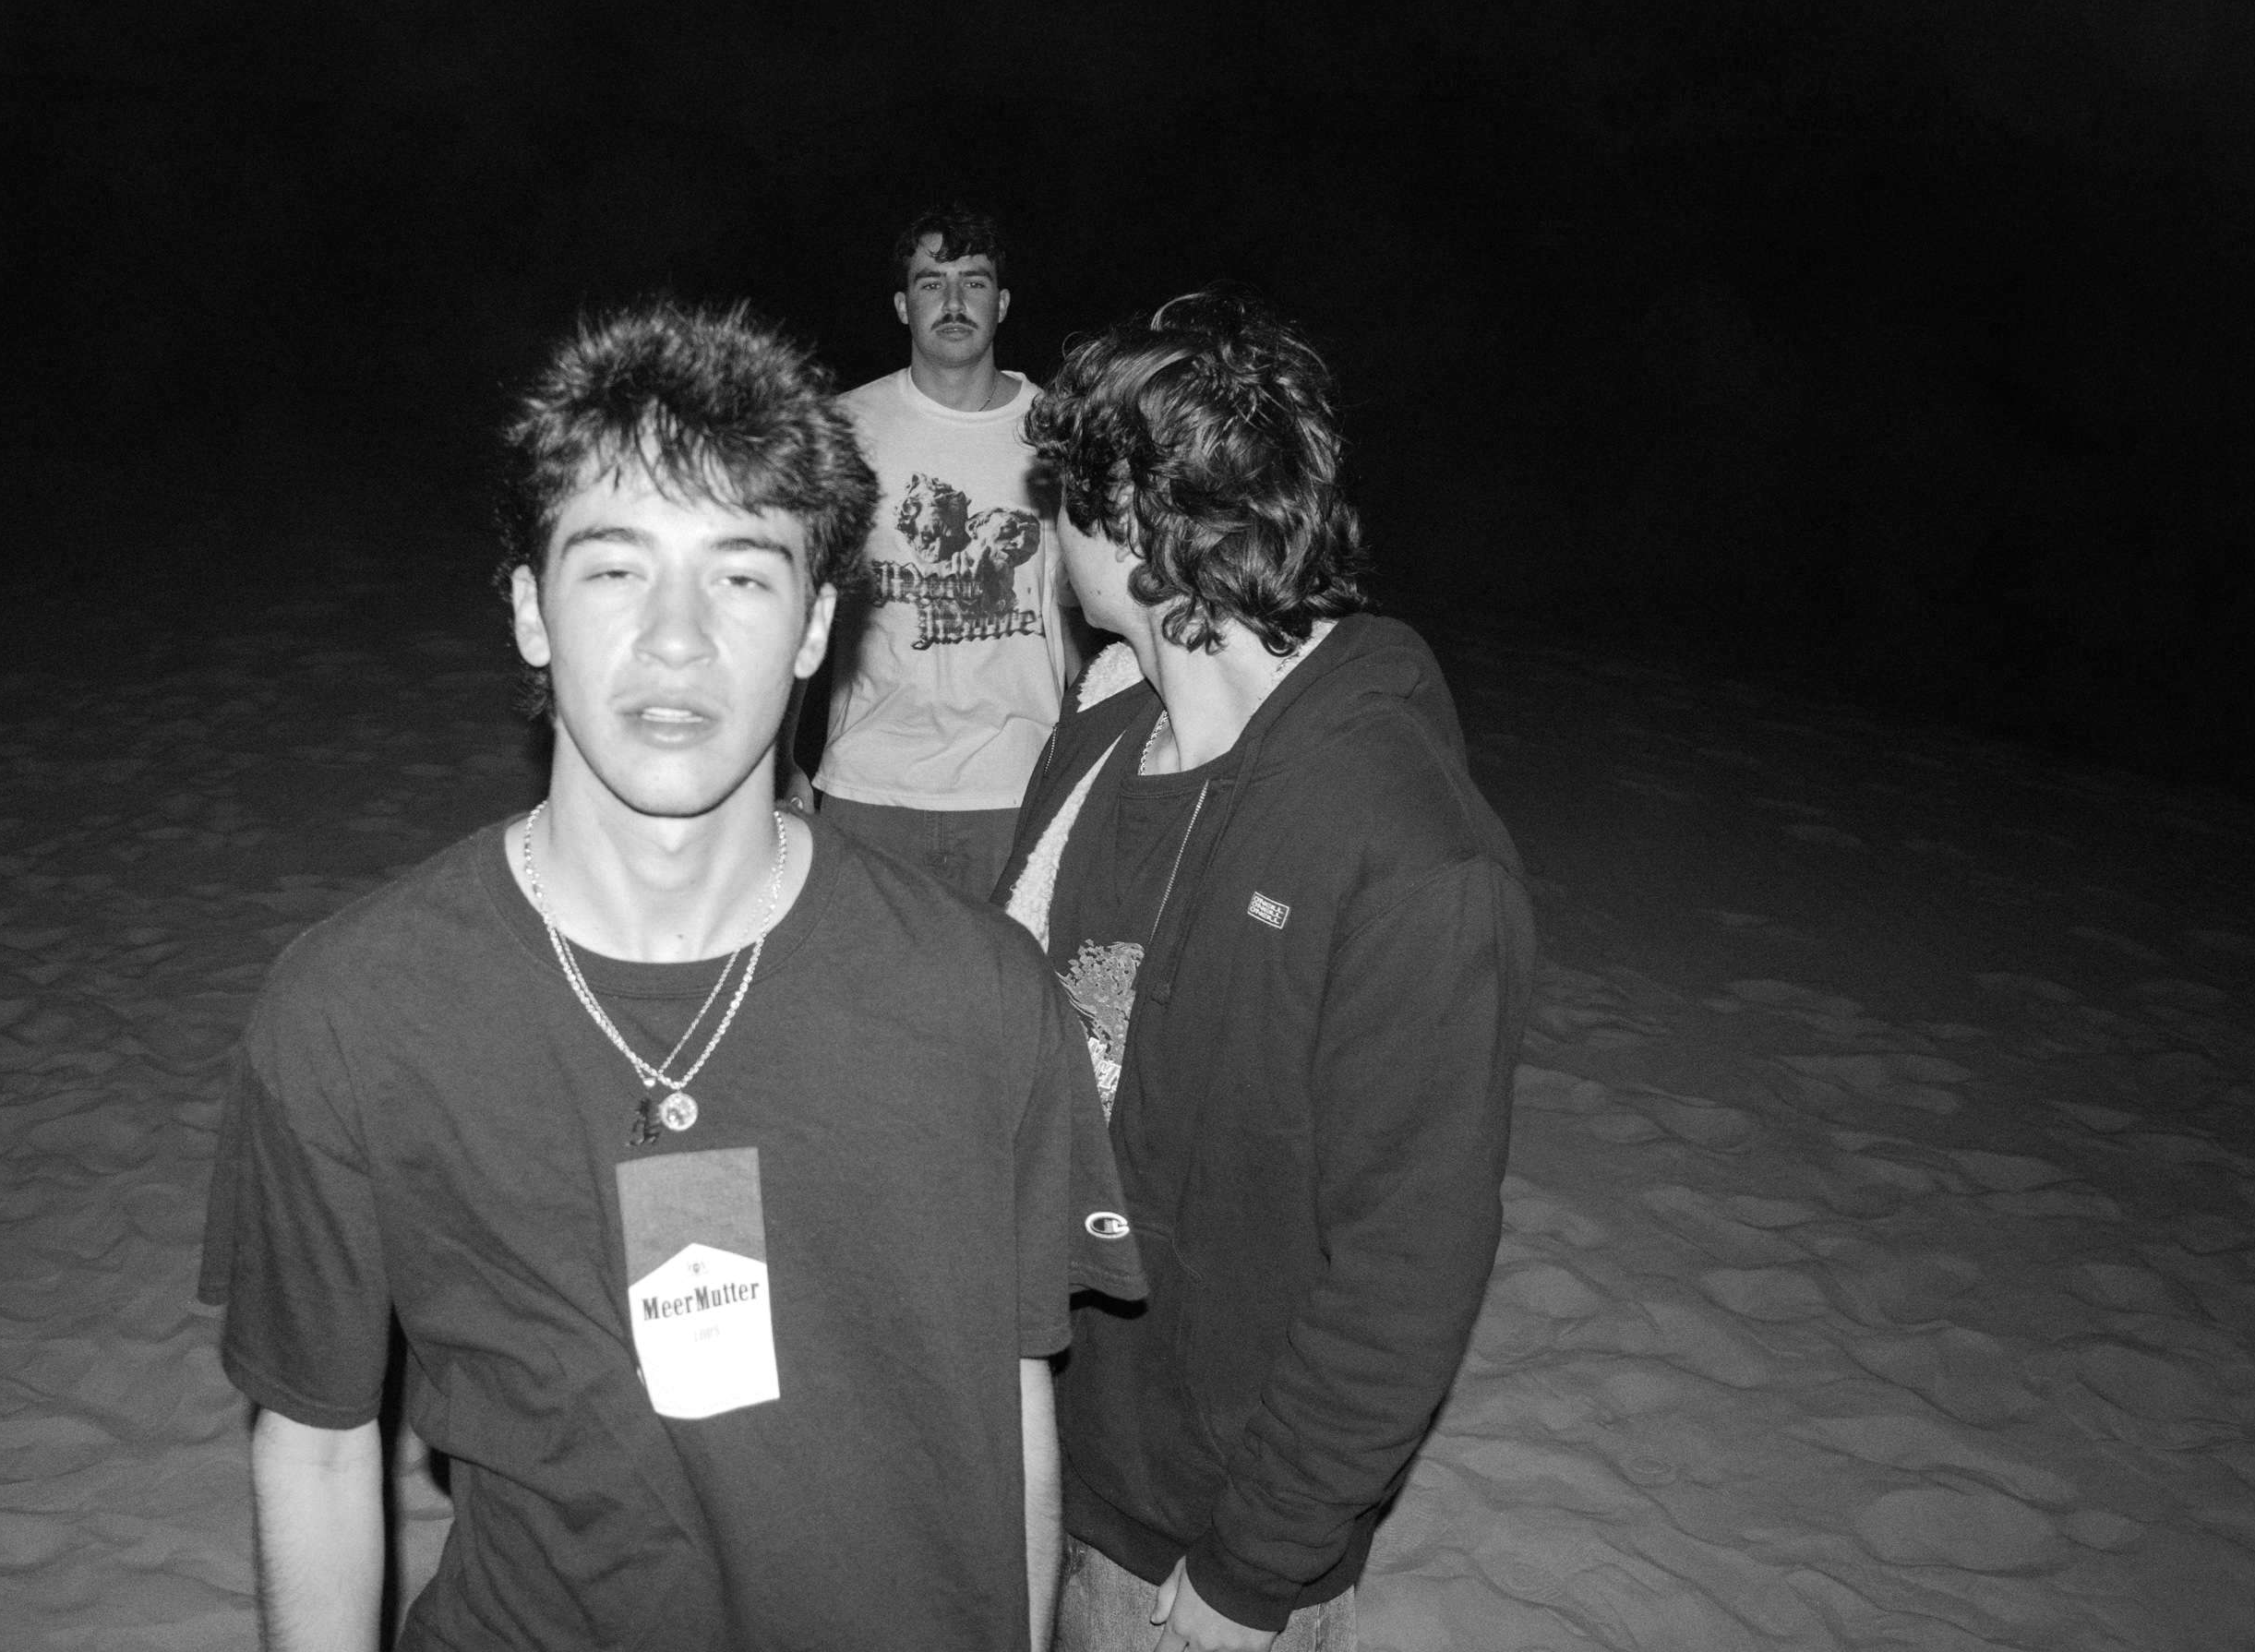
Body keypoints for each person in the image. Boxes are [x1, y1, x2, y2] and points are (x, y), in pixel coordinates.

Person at [198, 302, 1143, 1651]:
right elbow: (314, 1442)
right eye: (615, 568)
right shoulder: (353, 1014)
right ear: (530, 610)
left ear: (818, 625)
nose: (678, 639)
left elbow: (1015, 1399)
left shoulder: (980, 997)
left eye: (743, 575)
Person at [995, 290, 1535, 1651]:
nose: (1046, 530)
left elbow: (1406, 1273)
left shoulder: (1411, 854)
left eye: (1062, 498)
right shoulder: (1103, 733)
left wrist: (1252, 1572)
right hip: (1039, 1439)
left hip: (1197, 1543)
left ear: (1132, 522)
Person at [811, 204, 1072, 902]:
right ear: (903, 305)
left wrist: (1090, 766)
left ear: (1002, 303)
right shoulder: (842, 429)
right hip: (869, 786)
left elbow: (1082, 614)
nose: (954, 301)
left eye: (974, 282)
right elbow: (798, 607)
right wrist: (778, 764)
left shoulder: (1059, 431)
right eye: (932, 282)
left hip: (1021, 788)